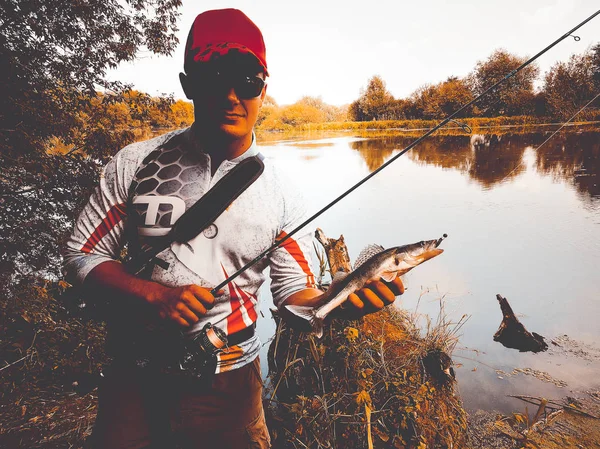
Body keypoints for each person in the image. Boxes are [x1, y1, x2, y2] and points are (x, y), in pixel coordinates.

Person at [63, 8, 404, 449]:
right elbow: (80, 255)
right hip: (133, 376)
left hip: (230, 387)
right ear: (187, 84)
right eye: (213, 77)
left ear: (264, 87)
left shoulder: (283, 193)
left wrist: (340, 302)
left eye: (247, 80)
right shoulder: (134, 163)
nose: (230, 95)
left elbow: (295, 298)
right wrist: (154, 295)